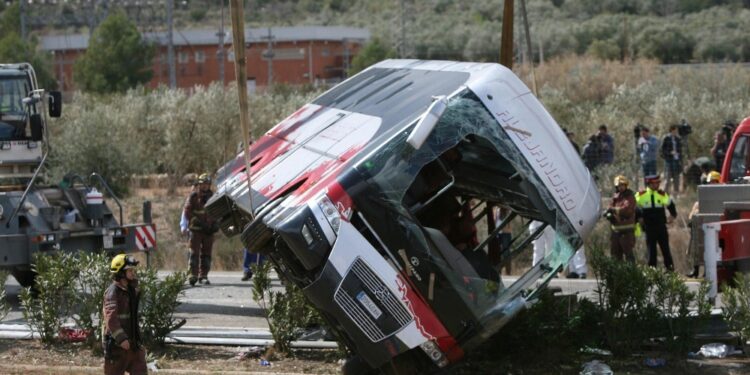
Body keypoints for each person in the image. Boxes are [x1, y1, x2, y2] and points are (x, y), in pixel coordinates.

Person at [103, 254, 146, 375]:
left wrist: (138, 340)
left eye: (133, 270)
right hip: (117, 347)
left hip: (133, 345)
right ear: (121, 273)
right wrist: (121, 339)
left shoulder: (132, 290)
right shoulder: (112, 293)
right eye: (130, 270)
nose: (133, 273)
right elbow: (111, 320)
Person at [635, 175, 677, 270]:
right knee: (651, 251)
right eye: (654, 183)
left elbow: (670, 205)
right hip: (649, 227)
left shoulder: (662, 194)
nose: (657, 185)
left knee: (665, 249)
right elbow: (635, 207)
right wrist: (639, 217)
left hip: (661, 226)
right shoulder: (641, 195)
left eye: (658, 183)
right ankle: (652, 271)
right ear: (649, 184)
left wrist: (673, 215)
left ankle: (670, 270)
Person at [686, 171, 722, 278]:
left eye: (715, 181)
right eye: (710, 182)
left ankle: (708, 272)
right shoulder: (701, 199)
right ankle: (695, 271)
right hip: (702, 228)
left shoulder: (722, 197)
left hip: (716, 228)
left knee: (710, 250)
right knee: (697, 249)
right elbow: (692, 215)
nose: (712, 184)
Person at [184, 173, 218, 286]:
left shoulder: (213, 196)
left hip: (208, 231)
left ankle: (203, 276)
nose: (205, 186)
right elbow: (187, 211)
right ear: (199, 184)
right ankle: (193, 275)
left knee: (207, 254)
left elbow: (217, 212)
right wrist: (197, 222)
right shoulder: (193, 196)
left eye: (207, 184)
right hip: (196, 230)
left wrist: (215, 225)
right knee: (194, 253)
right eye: (203, 184)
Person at [607, 175, 636, 263]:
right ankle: (617, 275)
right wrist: (609, 213)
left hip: (626, 231)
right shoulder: (616, 197)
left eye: (622, 185)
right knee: (615, 255)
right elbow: (610, 206)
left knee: (628, 255)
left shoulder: (630, 196)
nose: (621, 187)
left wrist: (614, 210)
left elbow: (627, 209)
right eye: (619, 186)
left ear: (626, 185)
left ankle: (631, 274)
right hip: (615, 231)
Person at [661, 124, 684, 194]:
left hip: (676, 161)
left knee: (676, 178)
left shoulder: (678, 139)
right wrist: (669, 153)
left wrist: (680, 157)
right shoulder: (666, 138)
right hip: (669, 161)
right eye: (675, 130)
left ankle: (676, 194)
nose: (676, 131)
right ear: (672, 130)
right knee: (668, 178)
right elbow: (662, 150)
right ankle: (665, 194)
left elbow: (680, 150)